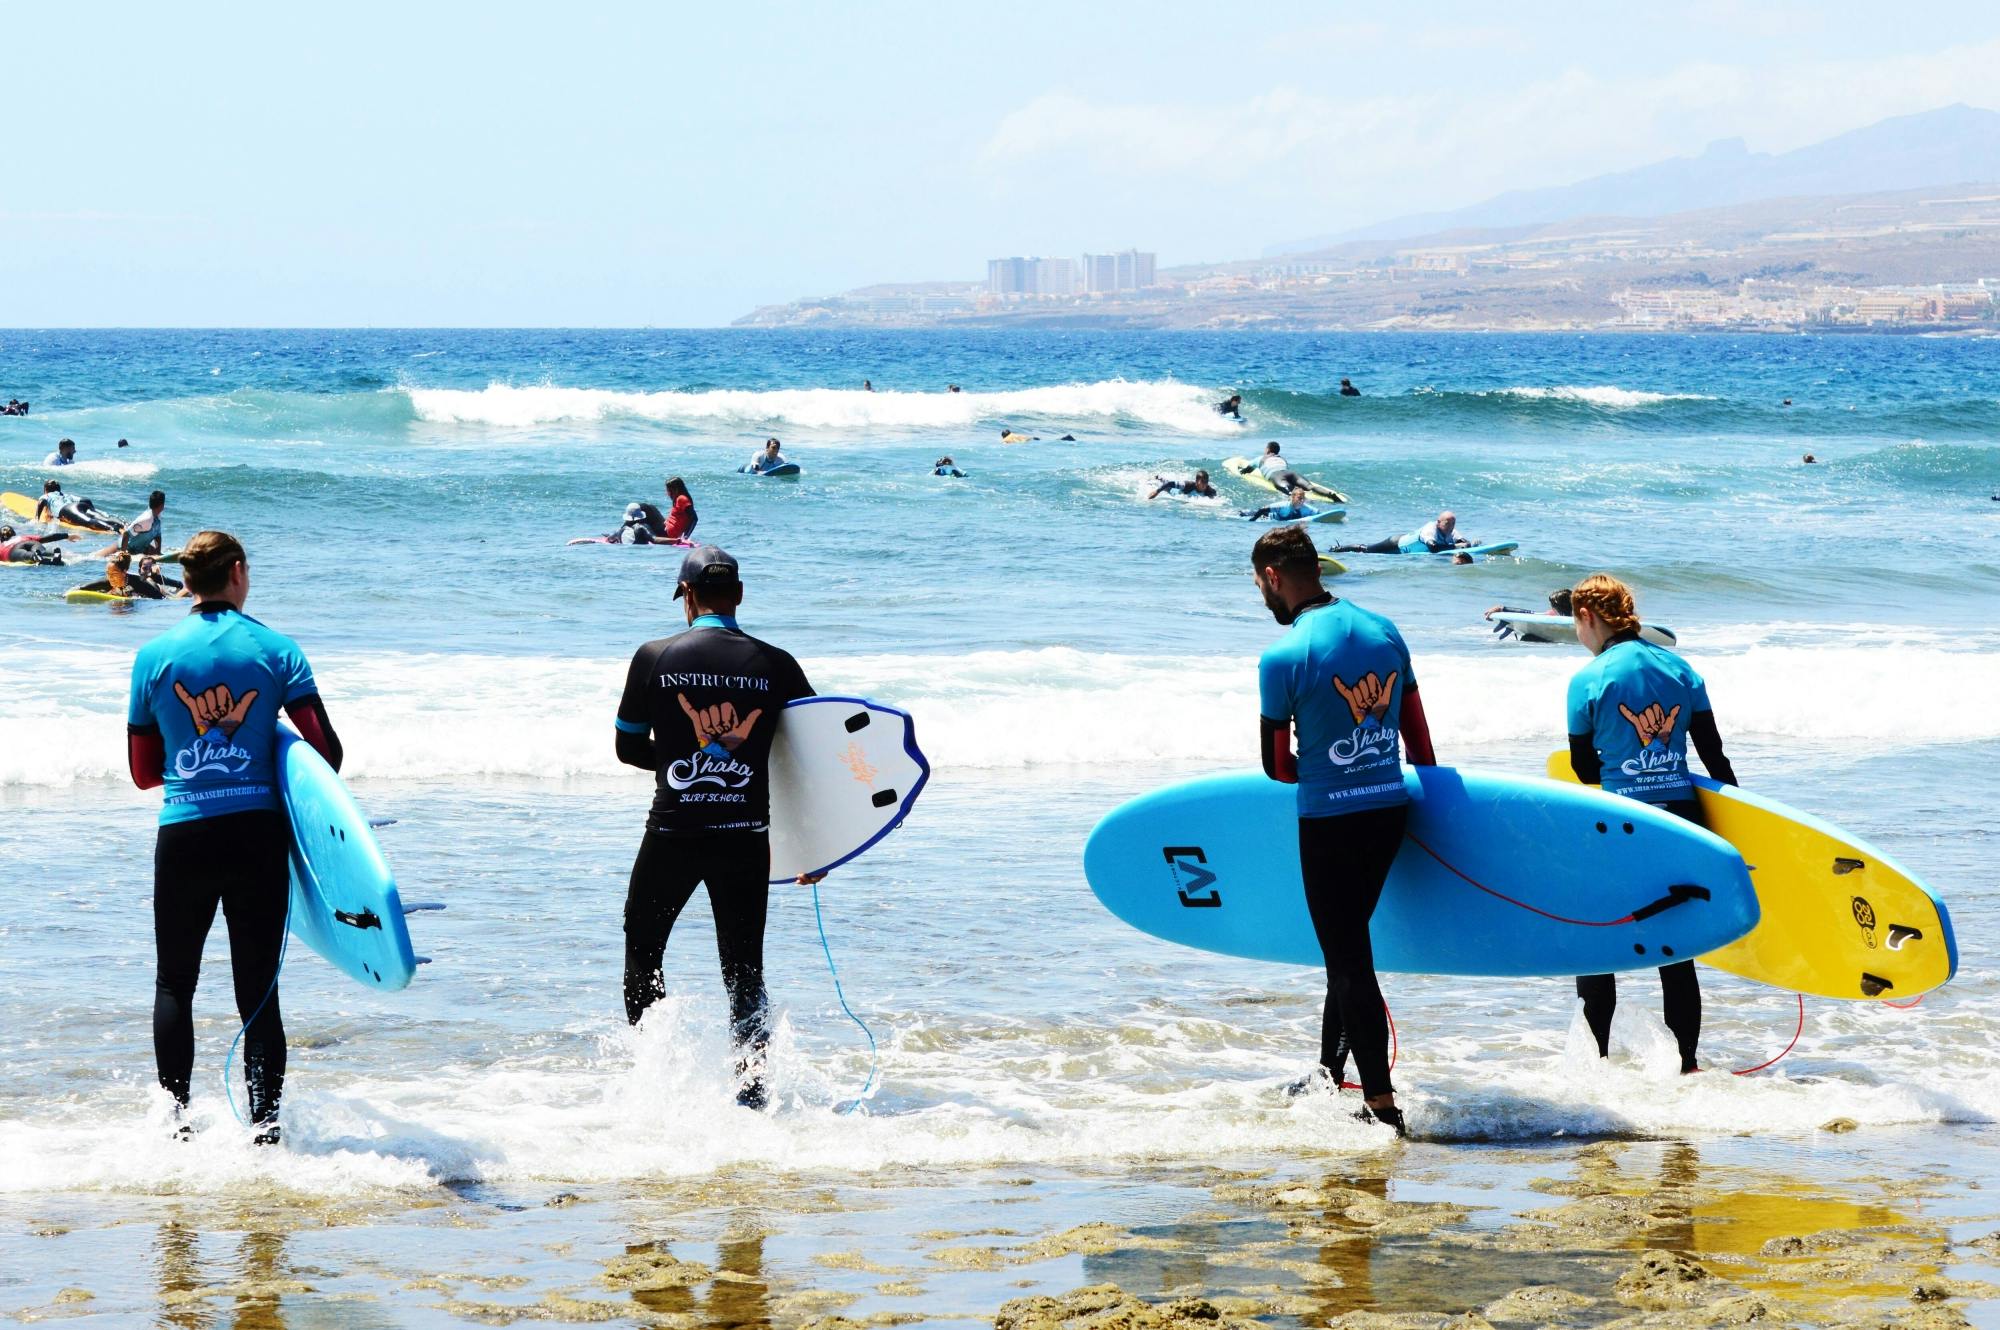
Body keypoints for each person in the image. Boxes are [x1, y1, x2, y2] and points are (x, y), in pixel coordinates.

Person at [126, 530, 345, 1143]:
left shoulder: (154, 656)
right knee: (257, 989)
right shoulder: (277, 651)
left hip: (185, 836)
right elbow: (327, 754)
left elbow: (145, 774)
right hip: (255, 838)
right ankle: (266, 1134)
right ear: (239, 573)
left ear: (187, 580)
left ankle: (176, 1130)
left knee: (175, 982)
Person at [614, 545, 818, 1110]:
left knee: (643, 952)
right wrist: (817, 846)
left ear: (687, 597)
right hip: (746, 837)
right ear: (741, 595)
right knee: (745, 969)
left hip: (673, 834)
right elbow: (814, 757)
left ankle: (652, 1080)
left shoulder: (654, 655)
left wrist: (687, 760)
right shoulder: (776, 663)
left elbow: (627, 747)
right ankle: (751, 1096)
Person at [1253, 525, 1436, 1136]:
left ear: (1274, 577)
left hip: (1330, 821)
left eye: (1260, 585)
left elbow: (1278, 766)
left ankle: (1381, 1105)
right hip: (1391, 811)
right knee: (1347, 951)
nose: (1263, 597)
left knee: (1350, 960)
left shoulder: (1283, 656)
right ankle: (1330, 1076)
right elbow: (1420, 740)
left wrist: (1329, 768)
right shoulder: (1385, 630)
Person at [1565, 573, 1736, 1074]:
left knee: (1598, 942)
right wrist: (1735, 836)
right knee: (1675, 951)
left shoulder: (1589, 679)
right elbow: (1715, 758)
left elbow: (1582, 768)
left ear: (1587, 617)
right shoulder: (1681, 669)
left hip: (1620, 824)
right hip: (1681, 823)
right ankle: (1687, 1065)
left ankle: (1594, 1065)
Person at [1334, 511, 1471, 555]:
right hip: (1396, 543)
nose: (1451, 527)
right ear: (1438, 522)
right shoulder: (1430, 529)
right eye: (1447, 523)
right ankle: (1339, 549)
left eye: (1453, 523)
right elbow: (1433, 548)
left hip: (1406, 546)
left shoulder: (1451, 530)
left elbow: (1462, 542)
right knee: (1367, 550)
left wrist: (1467, 544)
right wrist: (1456, 547)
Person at [1484, 588, 1572, 642]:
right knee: (1528, 638)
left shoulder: (1582, 616)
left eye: (1554, 605)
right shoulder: (1552, 615)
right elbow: (1531, 614)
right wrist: (1502, 609)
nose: (1553, 608)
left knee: (1528, 638)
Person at [36, 480, 124, 533]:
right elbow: (86, 500)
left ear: (45, 490)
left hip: (67, 509)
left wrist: (36, 518)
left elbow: (41, 502)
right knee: (102, 518)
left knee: (88, 521)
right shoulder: (65, 495)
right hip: (81, 505)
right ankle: (123, 524)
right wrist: (92, 510)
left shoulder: (47, 496)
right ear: (59, 489)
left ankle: (112, 529)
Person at [81, 550, 166, 600]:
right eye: (108, 573)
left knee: (150, 580)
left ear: (124, 571)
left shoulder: (139, 583)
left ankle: (154, 574)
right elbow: (82, 589)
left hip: (152, 586)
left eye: (114, 574)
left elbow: (161, 598)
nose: (110, 578)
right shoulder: (106, 582)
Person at [122, 490, 167, 556]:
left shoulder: (157, 516)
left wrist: (158, 553)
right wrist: (122, 554)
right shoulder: (146, 519)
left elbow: (158, 536)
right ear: (162, 506)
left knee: (152, 546)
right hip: (131, 551)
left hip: (142, 550)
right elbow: (126, 534)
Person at [0, 524, 73, 564]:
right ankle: (54, 554)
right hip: (27, 542)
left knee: (24, 554)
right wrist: (67, 536)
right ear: (14, 533)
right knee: (40, 550)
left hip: (12, 551)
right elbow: (48, 538)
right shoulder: (23, 537)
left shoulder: (2, 546)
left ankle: (34, 556)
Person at [1241, 487, 1315, 521]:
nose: (1301, 501)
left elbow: (1320, 515)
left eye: (1303, 498)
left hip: (1288, 519)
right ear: (1292, 497)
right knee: (1244, 514)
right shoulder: (1283, 506)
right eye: (1299, 498)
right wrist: (1253, 520)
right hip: (1267, 516)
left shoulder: (1308, 509)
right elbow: (1262, 509)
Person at [662, 477, 698, 541]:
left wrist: (686, 536)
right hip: (667, 528)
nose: (667, 493)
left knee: (646, 508)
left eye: (668, 490)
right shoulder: (678, 499)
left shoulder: (682, 499)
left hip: (670, 533)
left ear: (675, 489)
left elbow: (694, 518)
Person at [1149, 469, 1216, 499]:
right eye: (1203, 482)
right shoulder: (1188, 485)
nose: (1205, 484)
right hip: (1175, 493)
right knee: (1166, 485)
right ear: (1197, 482)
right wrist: (1156, 492)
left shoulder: (1211, 491)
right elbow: (1169, 483)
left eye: (1206, 482)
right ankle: (1158, 478)